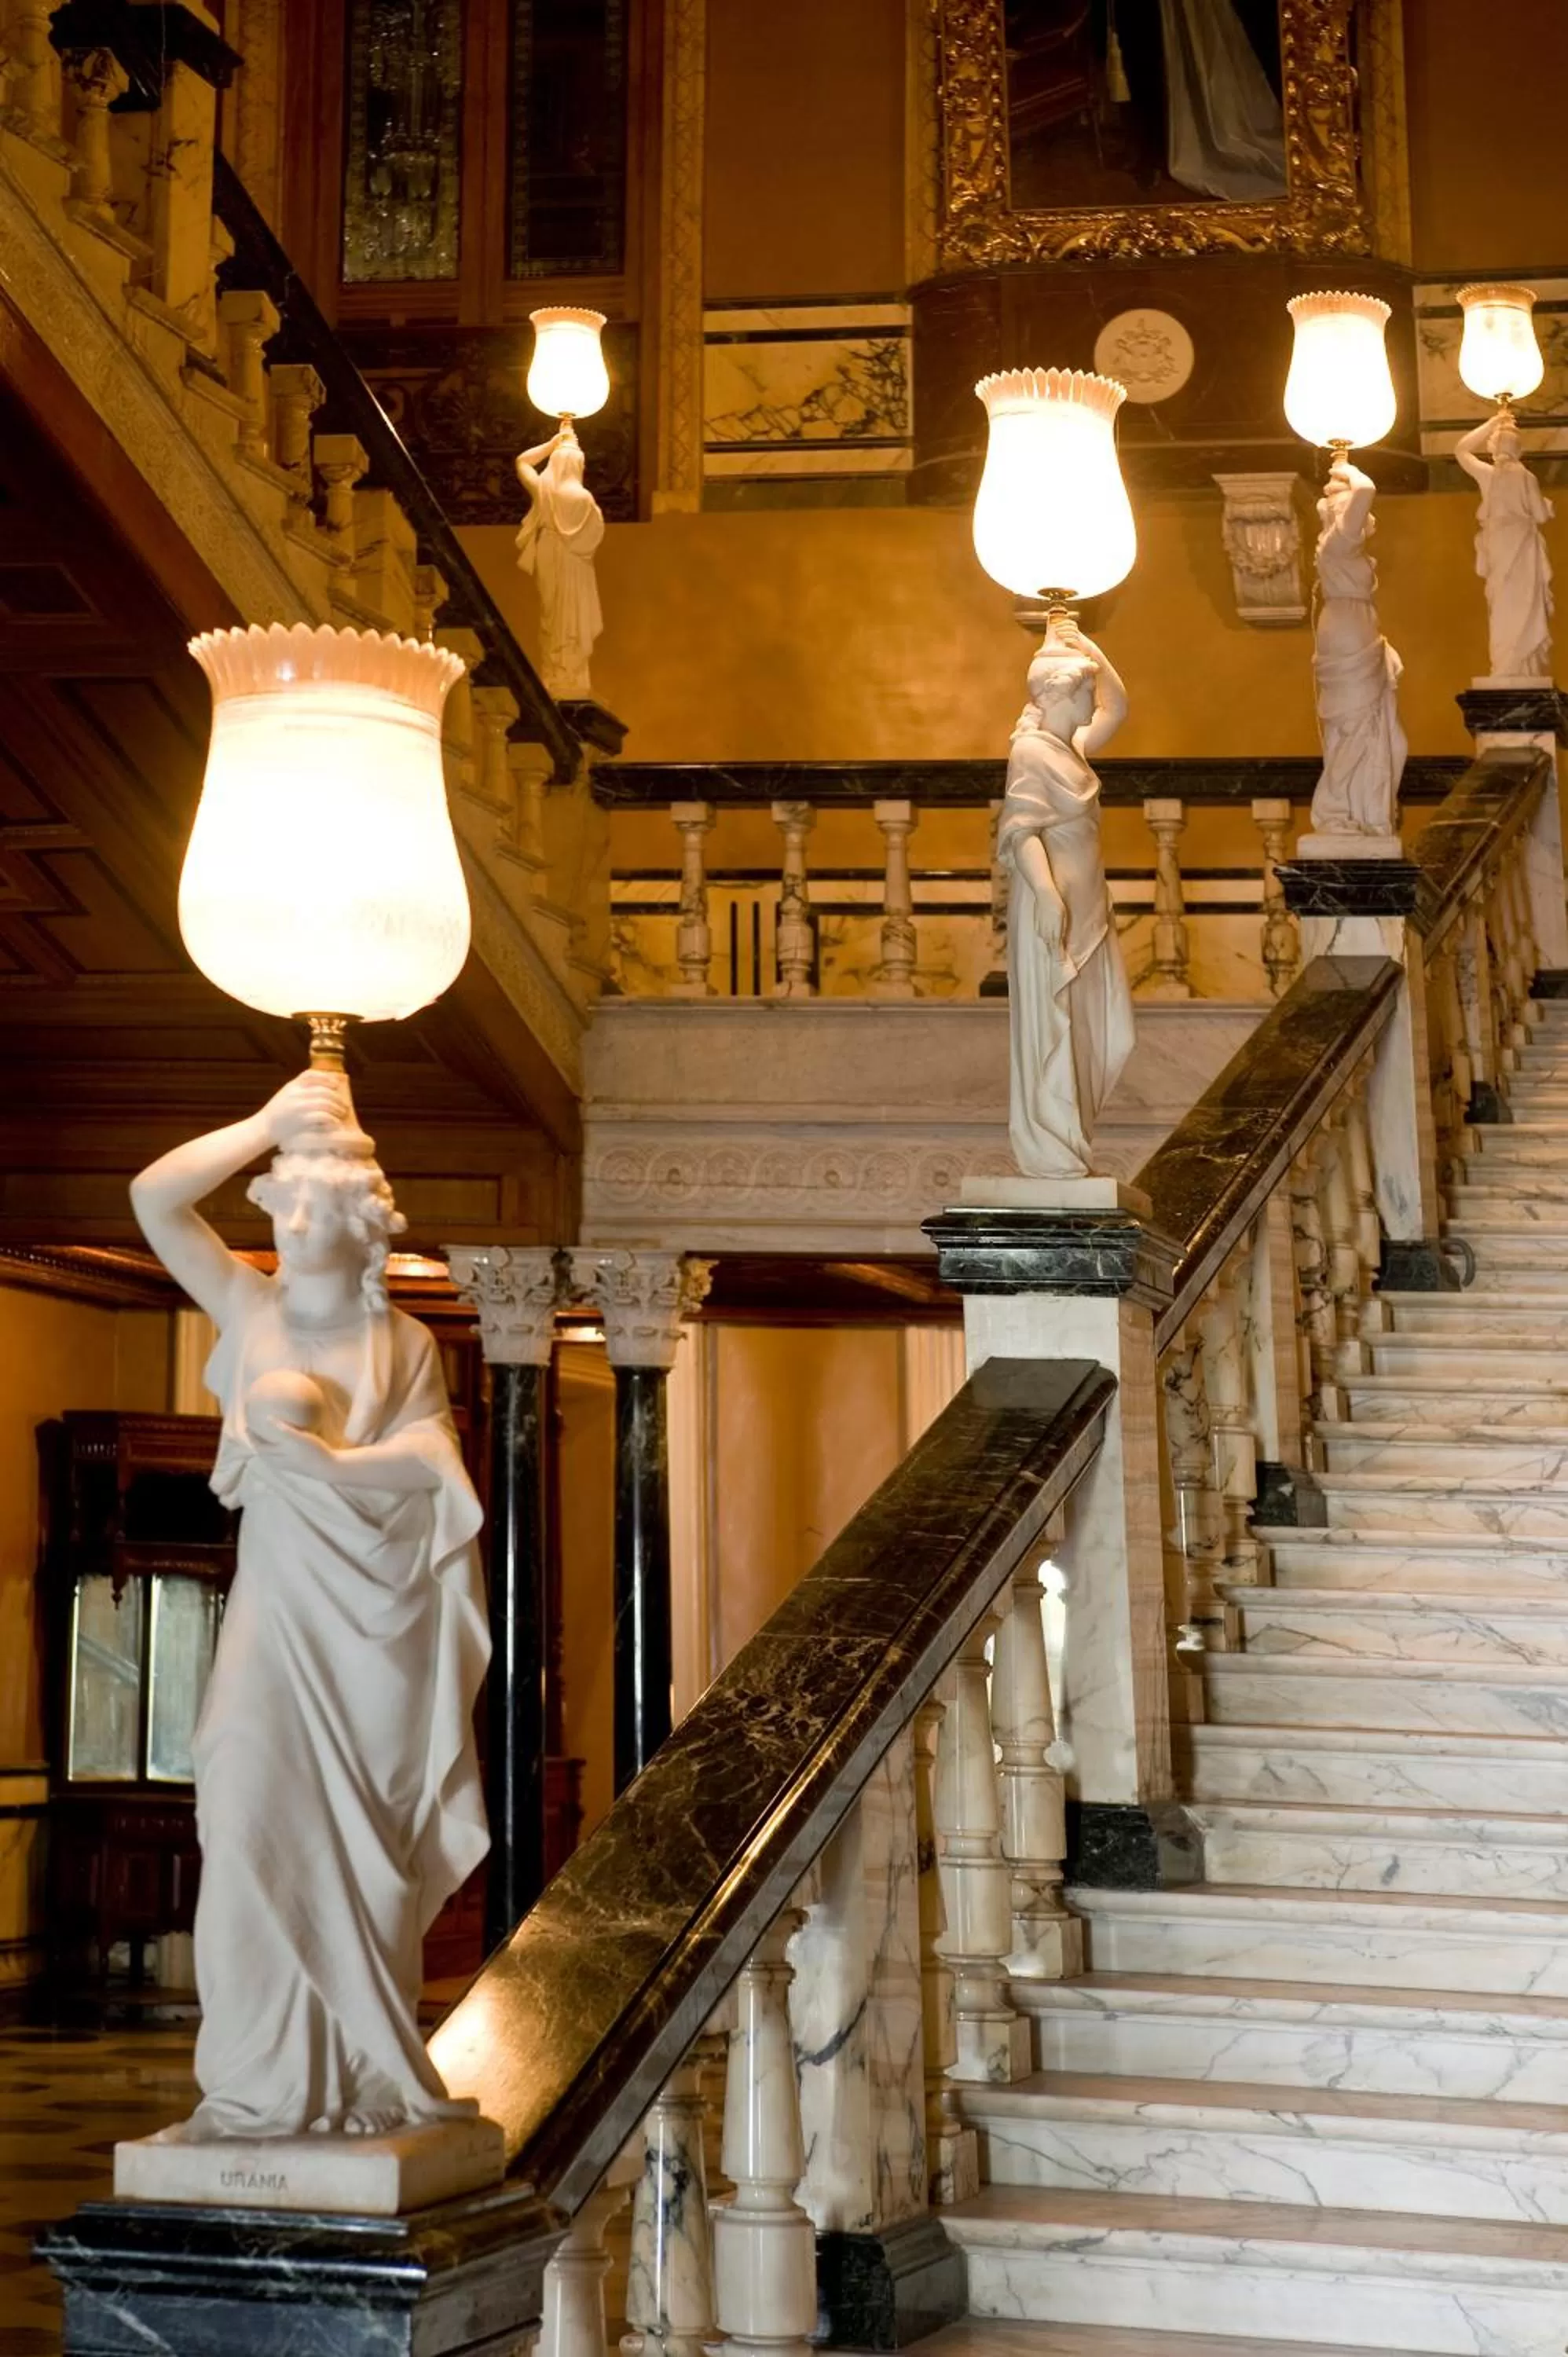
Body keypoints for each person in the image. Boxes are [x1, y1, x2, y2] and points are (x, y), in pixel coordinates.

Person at [129, 1069, 489, 2140]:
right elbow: (154, 1201)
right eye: (277, 1205)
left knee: (364, 1846)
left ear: (354, 1223)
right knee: (238, 1807)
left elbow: (436, 1469)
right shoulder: (249, 1306)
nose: (284, 1222)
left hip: (376, 1632)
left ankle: (359, 2077)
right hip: (277, 1614)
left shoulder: (404, 1348)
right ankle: (253, 2086)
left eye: (304, 1205)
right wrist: (261, 1126)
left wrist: (334, 1465)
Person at [999, 618, 1137, 1178]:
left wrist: (1091, 649)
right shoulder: (1030, 753)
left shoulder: (1072, 747)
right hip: (1052, 911)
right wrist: (1047, 893)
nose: (1092, 697)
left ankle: (1071, 1136)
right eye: (1084, 688)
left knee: (1110, 1032)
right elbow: (1020, 831)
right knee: (1057, 1027)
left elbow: (1119, 709)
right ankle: (1054, 1147)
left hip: (1089, 914)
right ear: (1060, 693)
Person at [1307, 457, 1407, 838]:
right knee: (1354, 725)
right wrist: (1343, 462)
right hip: (1347, 630)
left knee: (1387, 734)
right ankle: (1338, 808)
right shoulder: (1339, 543)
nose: (1366, 518)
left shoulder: (1342, 547)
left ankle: (1369, 809)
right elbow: (1366, 490)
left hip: (1358, 629)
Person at [1456, 409, 1555, 680]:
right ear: (1519, 449)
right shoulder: (1527, 477)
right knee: (1524, 604)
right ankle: (1525, 667)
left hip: (1500, 544)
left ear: (1492, 447)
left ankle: (1505, 667)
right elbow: (1541, 515)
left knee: (1502, 605)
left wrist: (1491, 423)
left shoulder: (1489, 476)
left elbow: (1461, 451)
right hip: (1523, 547)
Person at [515, 425, 606, 699]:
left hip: (548, 552)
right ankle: (570, 673)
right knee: (573, 615)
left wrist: (551, 444)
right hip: (576, 563)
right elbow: (594, 536)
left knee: (551, 614)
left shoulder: (545, 489)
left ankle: (553, 672)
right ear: (579, 466)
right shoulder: (585, 499)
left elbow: (522, 462)